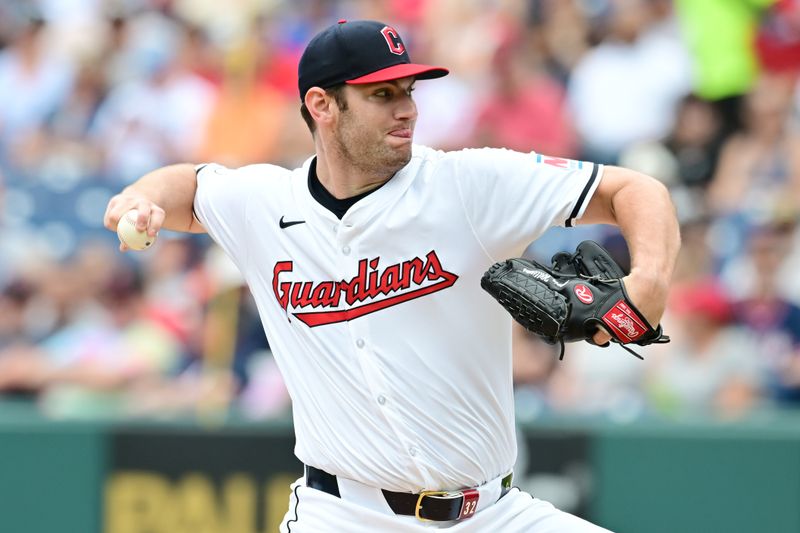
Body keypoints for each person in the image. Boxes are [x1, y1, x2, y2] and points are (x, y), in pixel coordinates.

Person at [103, 19, 680, 533]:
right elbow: (191, 185)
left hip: (494, 513)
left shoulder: (467, 184)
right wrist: (139, 198)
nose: (408, 109)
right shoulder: (264, 203)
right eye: (383, 94)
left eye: (408, 91)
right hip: (342, 514)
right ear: (323, 106)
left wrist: (648, 281)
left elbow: (637, 189)